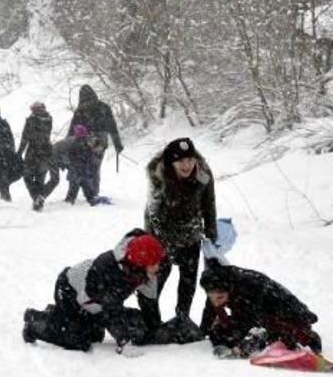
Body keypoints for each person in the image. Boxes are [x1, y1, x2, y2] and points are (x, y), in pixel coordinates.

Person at [22, 229, 165, 354]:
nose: (158, 267)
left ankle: (57, 316)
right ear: (140, 263)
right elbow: (111, 312)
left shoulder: (141, 269)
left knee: (97, 334)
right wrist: (124, 342)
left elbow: (149, 300)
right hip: (69, 292)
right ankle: (34, 323)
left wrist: (155, 327)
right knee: (80, 340)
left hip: (95, 302)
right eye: (154, 264)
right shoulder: (108, 271)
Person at [139, 137, 217, 330]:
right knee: (154, 283)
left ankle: (182, 317)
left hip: (191, 233)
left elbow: (209, 203)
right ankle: (152, 323)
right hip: (162, 238)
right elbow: (152, 214)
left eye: (190, 159)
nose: (187, 165)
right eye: (181, 161)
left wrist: (211, 231)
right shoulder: (160, 177)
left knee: (188, 281)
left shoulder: (203, 174)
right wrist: (153, 245)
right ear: (171, 163)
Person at [200, 260, 322, 357]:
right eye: (211, 297)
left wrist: (243, 348)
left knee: (262, 339)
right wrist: (204, 332)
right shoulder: (217, 284)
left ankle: (307, 337)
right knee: (218, 332)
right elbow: (211, 311)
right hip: (252, 315)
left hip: (285, 316)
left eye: (220, 298)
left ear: (229, 290)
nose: (216, 302)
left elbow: (256, 323)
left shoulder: (250, 286)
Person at [67, 85, 123, 195]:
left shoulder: (80, 109)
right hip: (100, 140)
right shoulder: (104, 107)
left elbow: (72, 129)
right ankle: (94, 191)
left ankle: (86, 191)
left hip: (85, 140)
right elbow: (112, 126)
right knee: (95, 166)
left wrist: (68, 142)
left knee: (86, 165)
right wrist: (117, 143)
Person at [18, 101, 59, 211]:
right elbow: (44, 135)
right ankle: (39, 200)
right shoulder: (49, 119)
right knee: (40, 178)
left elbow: (25, 138)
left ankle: (37, 198)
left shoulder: (31, 120)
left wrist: (19, 153)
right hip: (46, 152)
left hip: (33, 152)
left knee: (27, 177)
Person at [63, 125, 107, 206]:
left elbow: (71, 156)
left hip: (77, 170)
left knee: (77, 187)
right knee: (82, 186)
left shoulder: (75, 143)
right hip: (80, 170)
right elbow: (89, 156)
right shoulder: (84, 143)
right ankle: (89, 198)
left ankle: (72, 199)